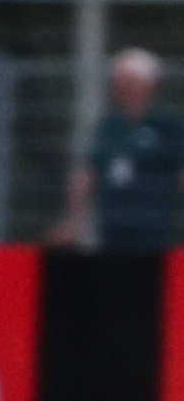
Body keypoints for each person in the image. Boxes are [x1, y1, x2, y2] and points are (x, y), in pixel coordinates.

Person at [69, 48, 184, 250]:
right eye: (120, 80)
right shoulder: (109, 125)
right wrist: (74, 219)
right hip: (112, 225)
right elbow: (89, 173)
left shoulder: (168, 126)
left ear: (150, 84)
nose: (123, 87)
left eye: (131, 80)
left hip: (156, 227)